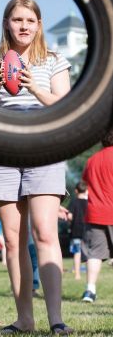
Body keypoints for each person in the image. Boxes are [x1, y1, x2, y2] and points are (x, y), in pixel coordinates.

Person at [0, 0, 73, 334]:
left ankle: (56, 320)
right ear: (7, 22)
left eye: (30, 21)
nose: (24, 26)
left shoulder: (54, 61)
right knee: (14, 240)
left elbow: (64, 109)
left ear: (39, 25)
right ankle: (25, 319)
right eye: (18, 20)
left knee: (45, 233)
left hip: (43, 151)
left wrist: (35, 87)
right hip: (3, 153)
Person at [81, 128, 113, 303]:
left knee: (94, 254)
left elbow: (85, 182)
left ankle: (90, 291)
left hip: (94, 213)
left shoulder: (92, 160)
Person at [68, 181, 88, 280]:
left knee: (77, 252)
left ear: (76, 191)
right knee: (89, 253)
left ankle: (77, 275)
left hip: (75, 231)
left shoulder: (73, 202)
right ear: (86, 190)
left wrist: (69, 221)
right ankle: (90, 274)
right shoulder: (88, 203)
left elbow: (70, 216)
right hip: (87, 231)